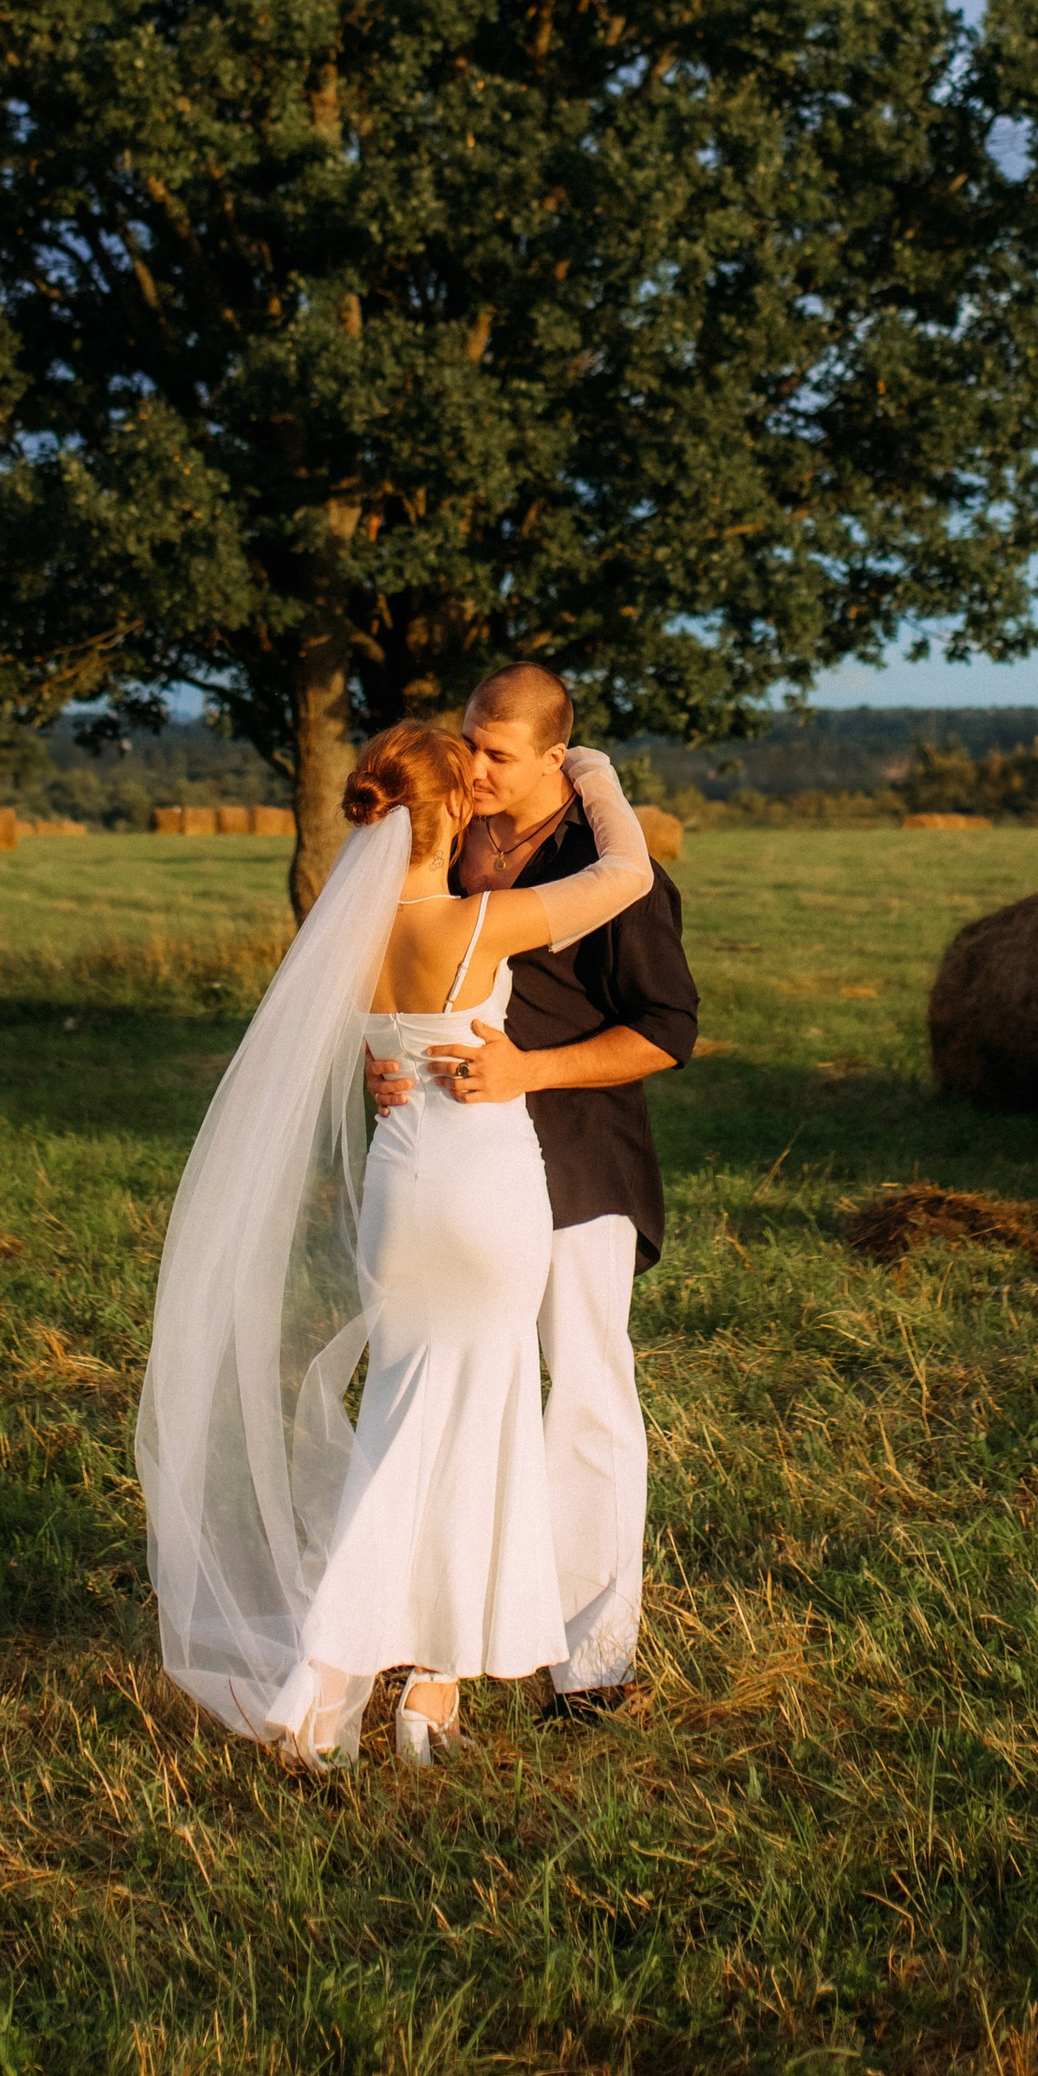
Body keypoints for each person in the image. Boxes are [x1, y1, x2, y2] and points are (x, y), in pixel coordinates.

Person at [136, 720, 655, 1769]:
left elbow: (336, 1056)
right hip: (483, 1192)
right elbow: (629, 874)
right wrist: (589, 768)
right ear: (452, 808)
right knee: (483, 1425)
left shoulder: (350, 933)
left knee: (404, 1425)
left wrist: (386, 1066)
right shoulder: (481, 925)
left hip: (399, 1198)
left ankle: (397, 1690)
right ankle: (377, 1681)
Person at [366, 664, 697, 1714]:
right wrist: (385, 1063)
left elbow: (664, 1031)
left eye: (498, 751)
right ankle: (439, 1636)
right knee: (458, 1397)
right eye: (469, 741)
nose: (474, 763)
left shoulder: (608, 867)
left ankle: (592, 1664)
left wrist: (532, 1071)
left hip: (578, 1163)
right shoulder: (444, 838)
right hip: (452, 1170)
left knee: (586, 1398)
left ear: (557, 756)